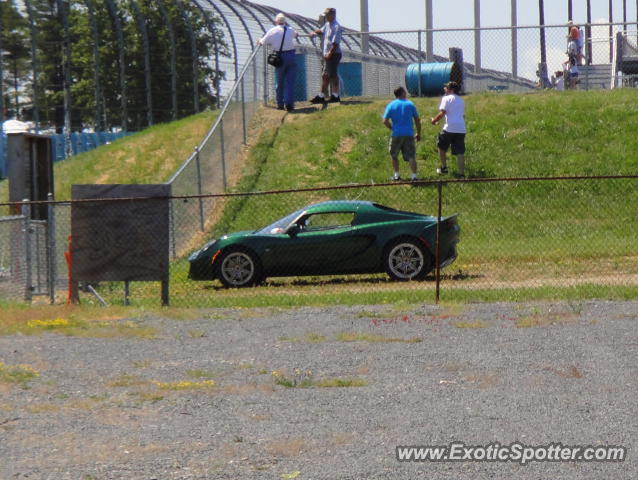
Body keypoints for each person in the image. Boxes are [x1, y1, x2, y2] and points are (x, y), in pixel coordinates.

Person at [259, 13, 299, 111]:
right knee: (290, 81)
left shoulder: (272, 31)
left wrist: (259, 40)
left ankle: (280, 104)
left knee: (279, 81)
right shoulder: (290, 30)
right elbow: (296, 35)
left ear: (276, 21)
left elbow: (262, 42)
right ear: (284, 21)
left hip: (279, 57)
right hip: (291, 56)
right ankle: (289, 103)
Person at [382, 86, 421, 181]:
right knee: (411, 156)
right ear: (402, 93)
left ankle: (396, 175)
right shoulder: (410, 104)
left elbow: (385, 121)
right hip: (409, 134)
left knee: (394, 155)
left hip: (396, 134)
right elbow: (417, 120)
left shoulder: (391, 105)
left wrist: (392, 128)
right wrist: (418, 133)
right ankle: (414, 176)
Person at [431, 81, 466, 178]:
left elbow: (442, 113)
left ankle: (444, 168)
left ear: (452, 89)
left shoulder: (446, 98)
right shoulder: (461, 100)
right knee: (460, 152)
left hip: (449, 128)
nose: (444, 89)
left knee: (441, 147)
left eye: (446, 87)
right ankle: (461, 174)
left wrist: (434, 120)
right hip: (461, 129)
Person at [309, 8, 342, 104]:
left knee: (333, 75)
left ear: (333, 15)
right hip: (327, 54)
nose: (326, 16)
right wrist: (314, 32)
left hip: (334, 54)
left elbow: (336, 43)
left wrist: (330, 54)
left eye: (327, 14)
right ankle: (321, 96)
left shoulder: (336, 26)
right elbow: (321, 30)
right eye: (325, 15)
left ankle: (335, 96)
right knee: (325, 75)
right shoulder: (327, 24)